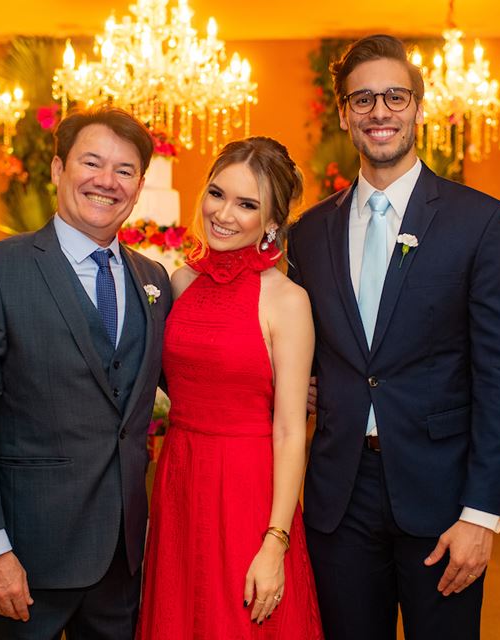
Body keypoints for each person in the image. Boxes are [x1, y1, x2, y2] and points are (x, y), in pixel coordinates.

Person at [287, 35, 500, 639]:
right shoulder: (309, 232)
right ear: (344, 113)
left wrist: (483, 514)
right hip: (337, 498)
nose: (380, 112)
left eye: (395, 96)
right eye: (363, 98)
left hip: (444, 495)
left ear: (420, 108)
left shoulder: (483, 222)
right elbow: (295, 341)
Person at [0, 107, 172, 639]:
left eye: (125, 170)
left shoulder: (152, 279)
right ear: (58, 169)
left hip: (122, 557)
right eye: (92, 162)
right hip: (26, 556)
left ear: (138, 188)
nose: (106, 181)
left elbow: (190, 381)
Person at [136, 137, 323, 639]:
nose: (223, 213)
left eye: (247, 204)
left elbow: (289, 430)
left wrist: (275, 541)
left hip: (248, 491)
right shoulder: (179, 283)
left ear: (272, 223)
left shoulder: (288, 301)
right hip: (180, 478)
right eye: (217, 193)